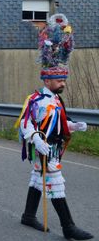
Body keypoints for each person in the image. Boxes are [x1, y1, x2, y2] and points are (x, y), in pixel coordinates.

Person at [16, 14, 93, 240]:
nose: (63, 84)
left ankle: (28, 215)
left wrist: (74, 125)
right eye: (60, 80)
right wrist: (36, 139)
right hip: (41, 148)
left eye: (64, 80)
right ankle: (68, 227)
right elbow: (25, 123)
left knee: (37, 180)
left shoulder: (56, 100)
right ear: (47, 80)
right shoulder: (36, 100)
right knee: (55, 183)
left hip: (53, 147)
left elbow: (57, 123)